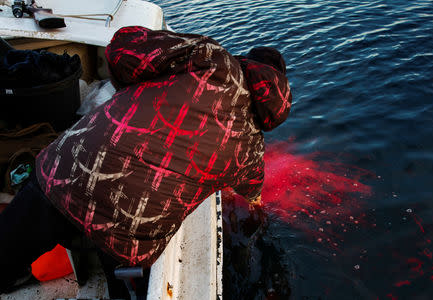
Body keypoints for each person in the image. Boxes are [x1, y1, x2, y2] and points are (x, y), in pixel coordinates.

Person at [0, 26, 291, 297]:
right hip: (126, 231)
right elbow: (253, 195)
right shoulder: (252, 150)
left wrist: (133, 86)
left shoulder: (213, 59)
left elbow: (121, 48)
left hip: (65, 173)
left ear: (247, 63)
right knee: (123, 273)